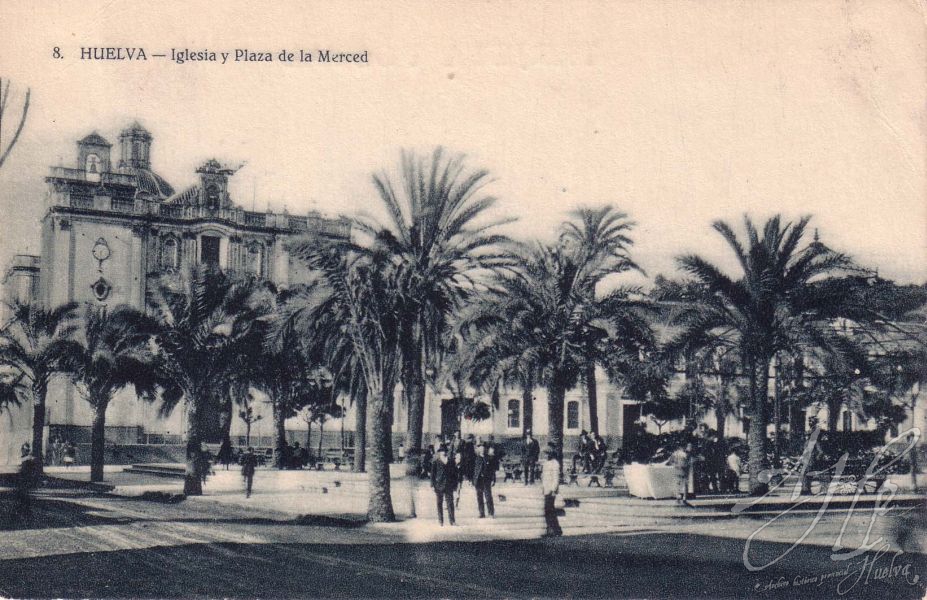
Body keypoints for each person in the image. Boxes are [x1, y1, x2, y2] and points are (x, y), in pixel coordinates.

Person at [430, 444, 457, 526]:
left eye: (445, 451)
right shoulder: (436, 461)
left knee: (450, 503)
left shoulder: (451, 461)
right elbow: (432, 474)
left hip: (449, 485)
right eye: (442, 451)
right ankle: (440, 521)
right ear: (439, 452)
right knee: (439, 503)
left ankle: (452, 521)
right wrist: (432, 484)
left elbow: (455, 474)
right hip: (439, 485)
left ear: (447, 452)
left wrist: (455, 484)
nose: (443, 452)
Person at [541, 449, 563, 537]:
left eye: (547, 454)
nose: (545, 456)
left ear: (551, 454)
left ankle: (552, 530)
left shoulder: (555, 464)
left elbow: (556, 478)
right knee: (549, 510)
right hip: (546, 489)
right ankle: (555, 529)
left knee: (549, 509)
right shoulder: (546, 463)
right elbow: (544, 477)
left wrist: (554, 490)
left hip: (551, 490)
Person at [472, 442, 495, 518]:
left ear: (485, 449)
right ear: (478, 449)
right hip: (478, 481)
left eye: (483, 448)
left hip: (486, 480)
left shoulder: (489, 458)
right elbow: (473, 470)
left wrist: (493, 479)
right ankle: (481, 513)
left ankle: (491, 513)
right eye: (480, 448)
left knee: (488, 497)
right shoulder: (475, 459)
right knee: (479, 497)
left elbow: (492, 470)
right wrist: (472, 480)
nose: (481, 450)